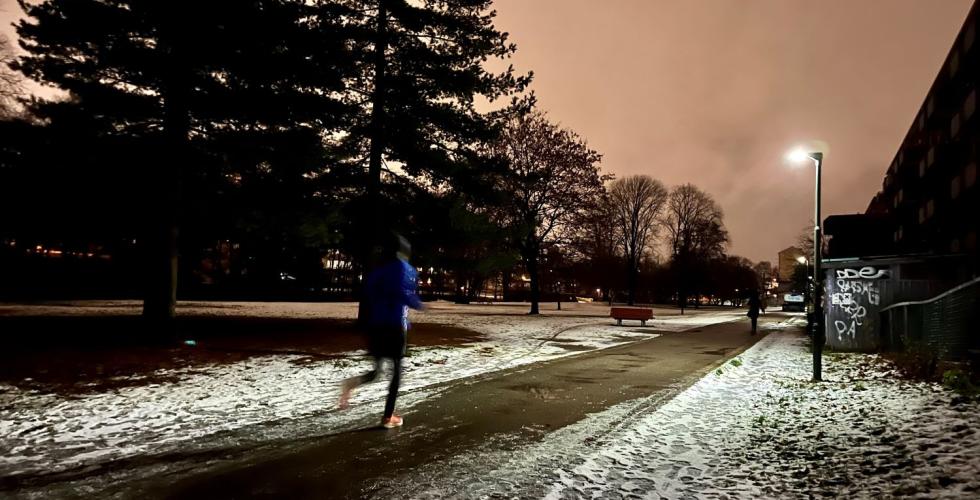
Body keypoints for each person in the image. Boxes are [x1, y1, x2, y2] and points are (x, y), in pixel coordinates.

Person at [339, 233, 424, 428]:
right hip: (395, 325)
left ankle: (351, 384)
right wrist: (419, 305)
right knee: (396, 373)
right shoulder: (407, 269)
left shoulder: (377, 271)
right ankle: (388, 417)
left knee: (377, 371)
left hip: (375, 326)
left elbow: (368, 295)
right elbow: (404, 293)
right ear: (404, 251)